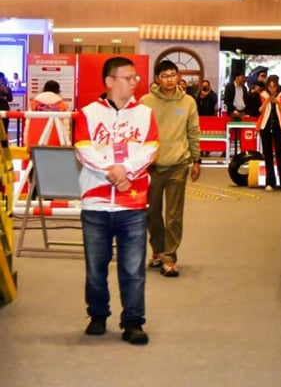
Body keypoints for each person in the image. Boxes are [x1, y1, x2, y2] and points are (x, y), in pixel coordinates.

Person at [74, 56, 159, 345]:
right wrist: (110, 172)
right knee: (95, 267)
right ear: (109, 81)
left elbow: (150, 149)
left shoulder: (145, 114)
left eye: (136, 78)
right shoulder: (88, 113)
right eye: (128, 78)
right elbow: (83, 149)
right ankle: (98, 315)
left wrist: (126, 171)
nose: (134, 82)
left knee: (133, 268)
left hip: (132, 203)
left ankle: (133, 322)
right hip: (96, 203)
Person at [140, 60, 201, 277]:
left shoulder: (188, 102)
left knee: (174, 215)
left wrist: (196, 160)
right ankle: (158, 251)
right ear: (157, 79)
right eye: (165, 76)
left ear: (178, 77)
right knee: (151, 213)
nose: (169, 79)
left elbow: (193, 132)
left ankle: (169, 258)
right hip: (152, 166)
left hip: (178, 164)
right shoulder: (145, 102)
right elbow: (139, 133)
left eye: (173, 75)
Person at [258, 75, 281, 191]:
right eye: (270, 86)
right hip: (266, 127)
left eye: (274, 87)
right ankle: (270, 182)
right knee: (267, 155)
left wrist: (277, 102)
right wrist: (267, 101)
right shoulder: (263, 95)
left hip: (279, 127)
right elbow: (260, 110)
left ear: (277, 86)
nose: (272, 89)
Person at [26, 80, 70, 146]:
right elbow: (66, 128)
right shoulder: (62, 106)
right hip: (56, 141)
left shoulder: (34, 104)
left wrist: (26, 142)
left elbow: (27, 125)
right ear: (58, 91)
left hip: (34, 141)